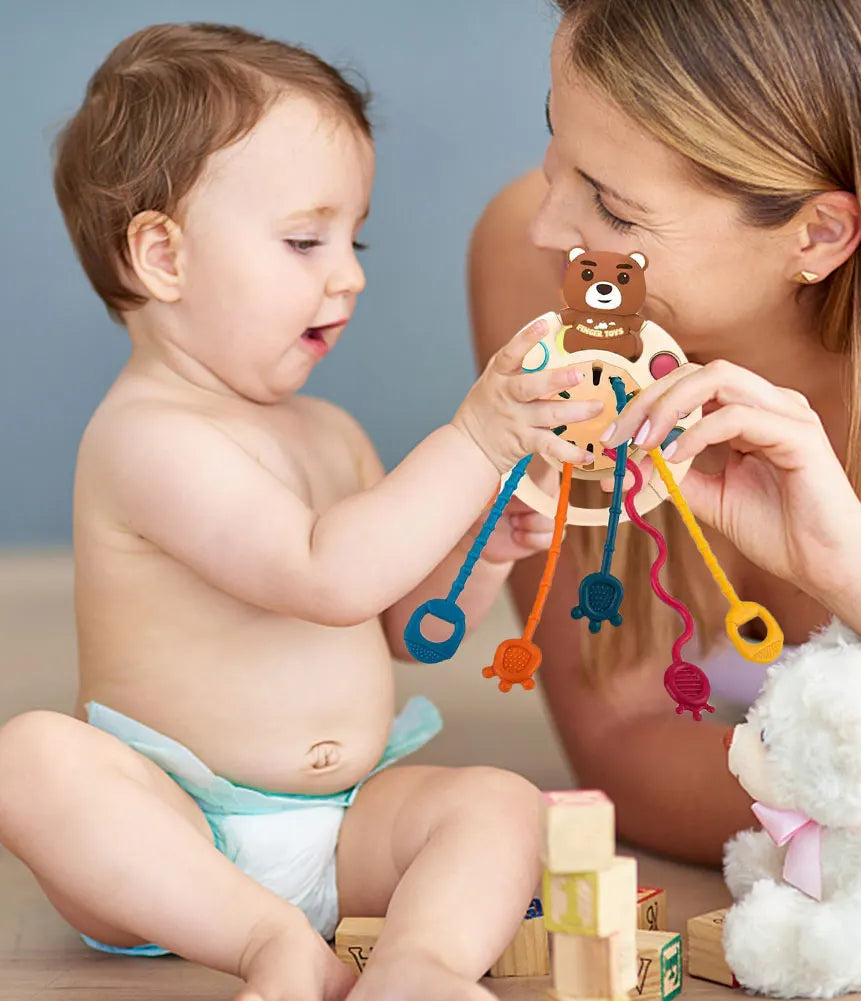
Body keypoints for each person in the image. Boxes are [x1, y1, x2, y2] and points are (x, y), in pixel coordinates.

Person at [0, 22, 601, 1001]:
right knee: (30, 761)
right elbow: (326, 574)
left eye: (351, 238)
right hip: (178, 830)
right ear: (162, 255)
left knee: (495, 801)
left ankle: (419, 962)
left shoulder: (329, 433)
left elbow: (404, 626)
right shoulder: (148, 439)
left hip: (347, 815)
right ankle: (262, 940)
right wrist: (478, 439)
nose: (350, 272)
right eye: (303, 240)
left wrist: (477, 552)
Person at [470, 0, 861, 875]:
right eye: (553, 142)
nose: (546, 226)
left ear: (819, 233)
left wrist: (856, 574)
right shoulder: (541, 272)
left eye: (611, 206)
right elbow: (620, 743)